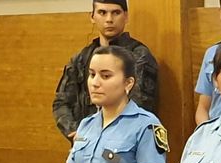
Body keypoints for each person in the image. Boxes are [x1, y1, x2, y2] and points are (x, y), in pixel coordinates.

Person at [53, 0, 158, 144]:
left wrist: (102, 135)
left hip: (123, 142)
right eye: (102, 12)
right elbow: (61, 102)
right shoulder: (82, 58)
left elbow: (141, 104)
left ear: (126, 16)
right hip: (84, 142)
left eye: (116, 13)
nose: (109, 19)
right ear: (92, 17)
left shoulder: (138, 56)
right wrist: (76, 132)